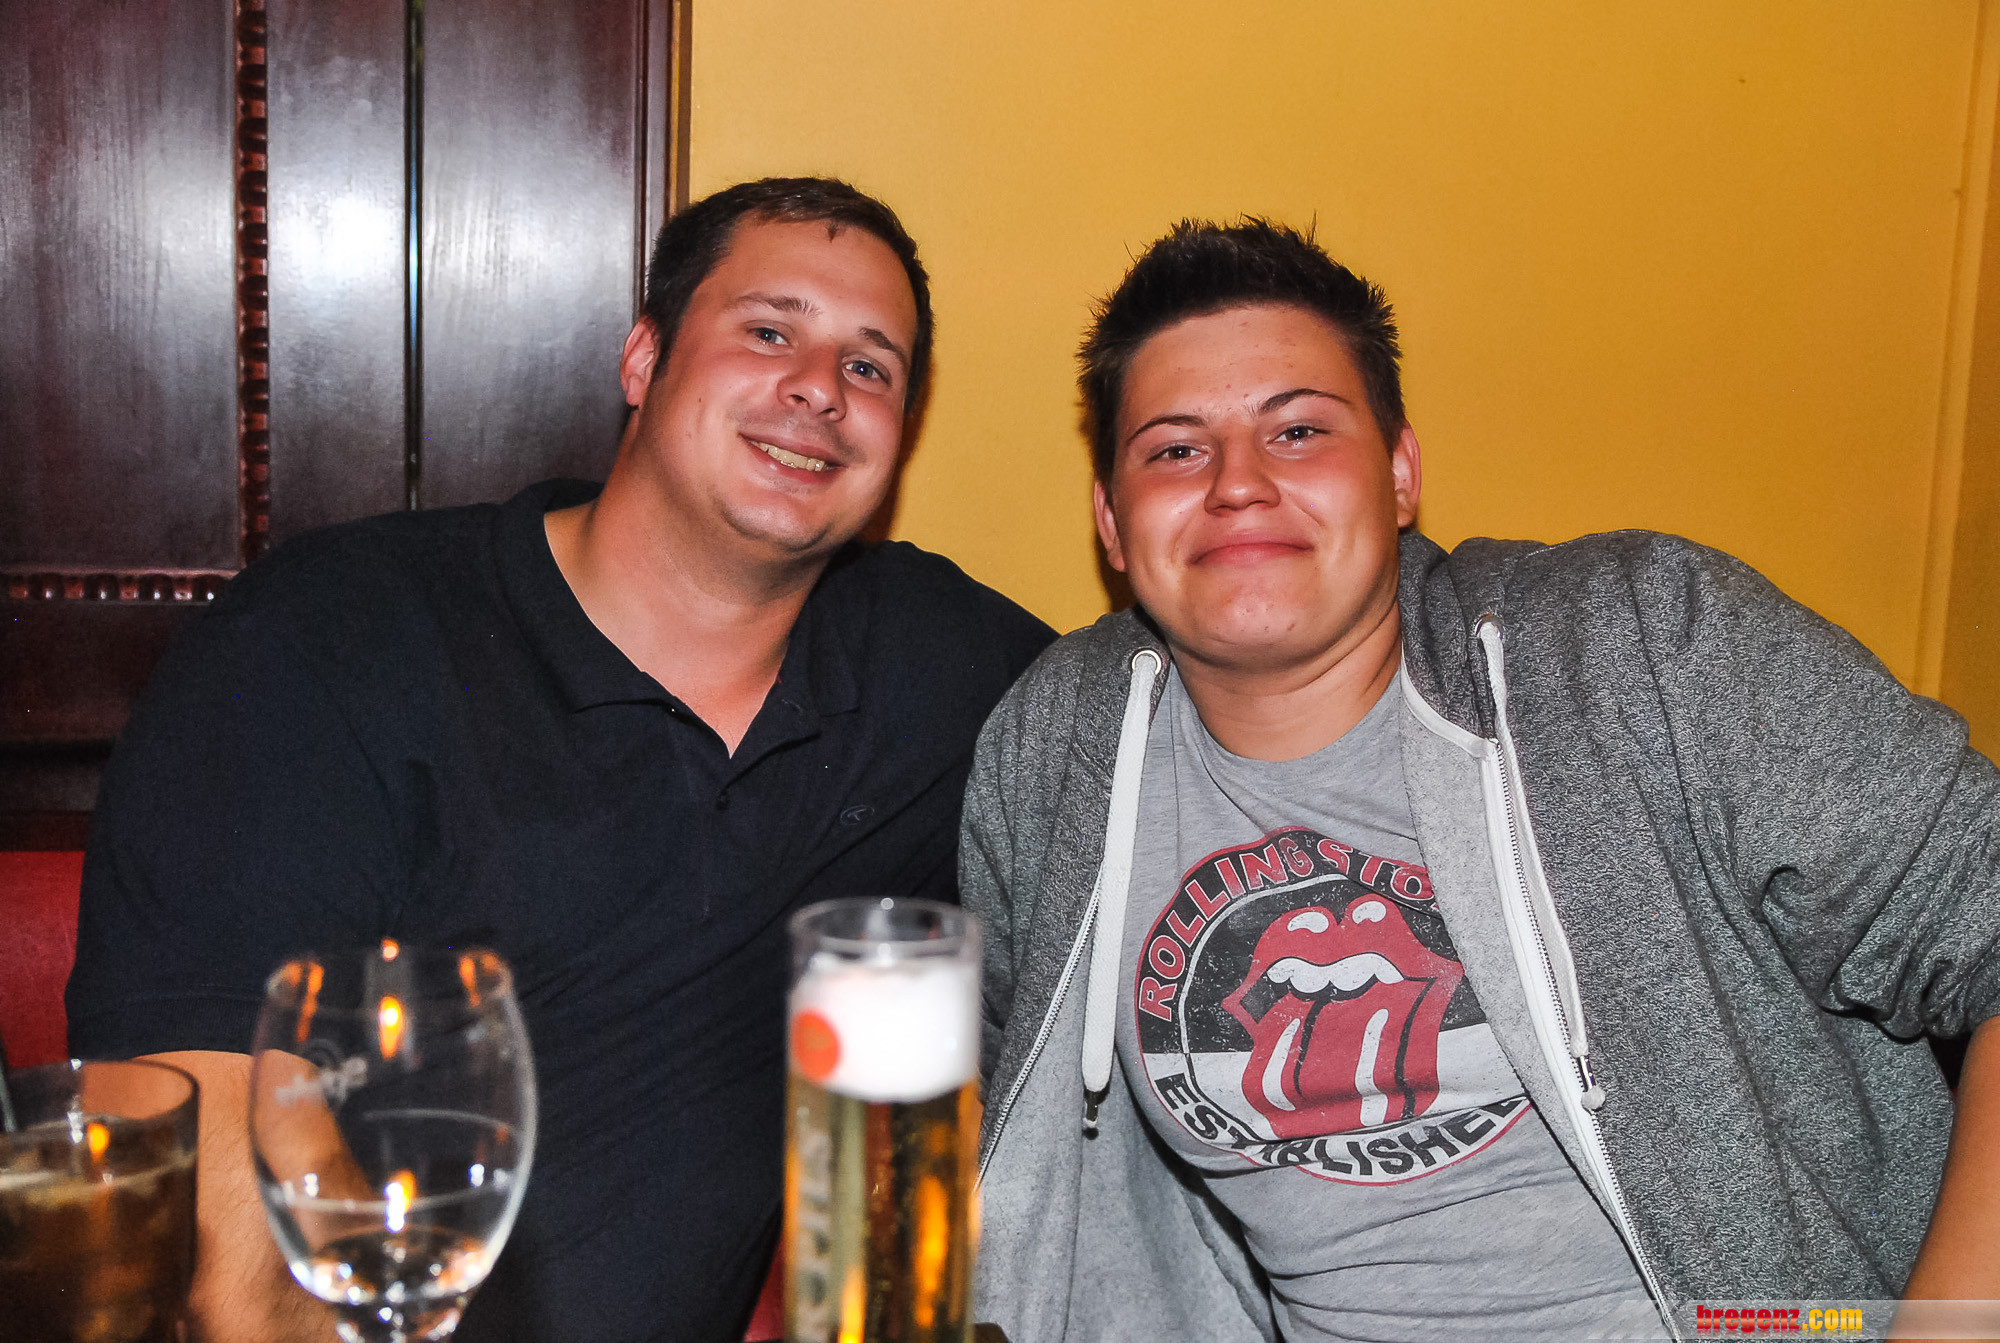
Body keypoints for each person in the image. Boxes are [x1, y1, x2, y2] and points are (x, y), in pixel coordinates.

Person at [961, 219, 2000, 1341]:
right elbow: (990, 1099)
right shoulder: (1054, 747)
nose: (1237, 484)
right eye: (1174, 450)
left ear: (1400, 473)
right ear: (1111, 524)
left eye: (1298, 430)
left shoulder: (1638, 644)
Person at [67, 177, 1055, 1343]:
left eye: (869, 366)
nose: (818, 388)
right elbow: (203, 1209)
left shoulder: (939, 666)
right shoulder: (327, 641)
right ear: (643, 358)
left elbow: (1187, 695)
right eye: (767, 331)